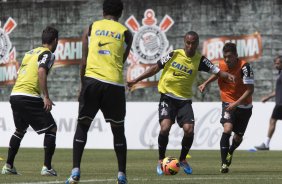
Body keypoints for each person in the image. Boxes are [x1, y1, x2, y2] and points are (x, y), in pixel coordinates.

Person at [127, 31, 234, 176]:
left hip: (184, 100)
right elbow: (155, 68)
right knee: (165, 128)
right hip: (168, 97)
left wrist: (226, 75)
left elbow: (216, 70)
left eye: (193, 43)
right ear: (184, 43)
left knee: (189, 130)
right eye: (188, 43)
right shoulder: (174, 55)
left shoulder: (200, 60)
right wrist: (136, 79)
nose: (190, 46)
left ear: (197, 44)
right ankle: (160, 160)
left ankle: (183, 159)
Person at [65, 0, 132, 183]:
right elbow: (122, 60)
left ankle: (75, 171)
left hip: (92, 82)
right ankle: (121, 174)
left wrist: (82, 85)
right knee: (118, 130)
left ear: (103, 11)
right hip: (114, 84)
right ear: (120, 13)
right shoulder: (127, 33)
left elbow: (84, 61)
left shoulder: (92, 27)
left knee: (83, 126)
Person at [1, 26, 59, 176]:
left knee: (20, 130)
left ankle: (8, 166)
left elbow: (20, 73)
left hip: (15, 95)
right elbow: (41, 70)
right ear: (55, 40)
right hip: (28, 96)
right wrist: (46, 96)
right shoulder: (48, 54)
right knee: (51, 129)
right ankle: (47, 167)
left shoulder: (30, 53)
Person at [198, 42, 254, 173]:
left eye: (230, 56)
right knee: (227, 128)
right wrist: (205, 83)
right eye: (225, 57)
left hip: (244, 106)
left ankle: (231, 151)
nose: (227, 59)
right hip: (228, 102)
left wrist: (237, 103)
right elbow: (218, 74)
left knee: (238, 137)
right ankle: (224, 164)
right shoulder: (222, 65)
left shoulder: (245, 67)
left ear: (236, 55)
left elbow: (250, 90)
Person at [255, 56, 282, 150]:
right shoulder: (280, 73)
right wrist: (267, 97)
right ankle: (266, 143)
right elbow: (278, 91)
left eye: (278, 63)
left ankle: (266, 144)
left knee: (272, 121)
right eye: (275, 63)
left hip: (280, 104)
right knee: (272, 121)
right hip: (279, 102)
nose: (276, 65)